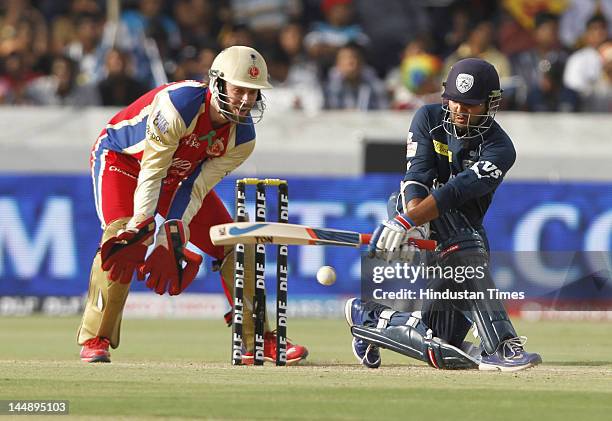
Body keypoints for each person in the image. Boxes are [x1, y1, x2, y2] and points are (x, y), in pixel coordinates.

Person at [77, 45, 308, 365]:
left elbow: (195, 187)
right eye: (239, 89)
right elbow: (152, 170)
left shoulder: (243, 139)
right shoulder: (178, 106)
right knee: (123, 238)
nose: (245, 101)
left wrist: (170, 234)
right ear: (218, 83)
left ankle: (257, 338)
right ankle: (96, 338)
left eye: (253, 93)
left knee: (239, 243)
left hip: (179, 179)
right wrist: (144, 228)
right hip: (125, 162)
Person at [345, 58, 542, 371]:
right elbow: (418, 175)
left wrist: (411, 221)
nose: (460, 111)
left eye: (471, 105)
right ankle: (502, 346)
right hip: (415, 220)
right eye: (455, 102)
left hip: (458, 235)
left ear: (491, 104)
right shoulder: (427, 117)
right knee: (457, 233)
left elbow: (459, 191)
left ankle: (370, 318)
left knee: (443, 345)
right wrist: (410, 219)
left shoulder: (501, 148)